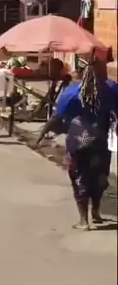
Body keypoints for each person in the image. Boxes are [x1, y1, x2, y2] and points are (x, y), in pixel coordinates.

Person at [35, 58, 118, 229]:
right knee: (99, 177)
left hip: (77, 141)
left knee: (80, 177)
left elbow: (57, 117)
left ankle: (83, 221)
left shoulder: (72, 92)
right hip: (100, 141)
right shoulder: (111, 89)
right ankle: (96, 212)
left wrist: (41, 134)